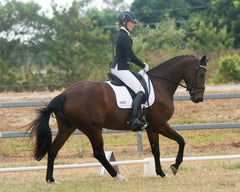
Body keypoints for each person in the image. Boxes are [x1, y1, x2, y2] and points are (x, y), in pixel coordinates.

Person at [110, 11, 149, 129]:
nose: (133, 24)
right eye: (131, 22)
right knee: (140, 91)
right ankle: (134, 120)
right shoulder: (124, 36)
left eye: (133, 22)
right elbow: (131, 56)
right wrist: (143, 65)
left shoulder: (124, 34)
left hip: (120, 68)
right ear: (124, 22)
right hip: (121, 69)